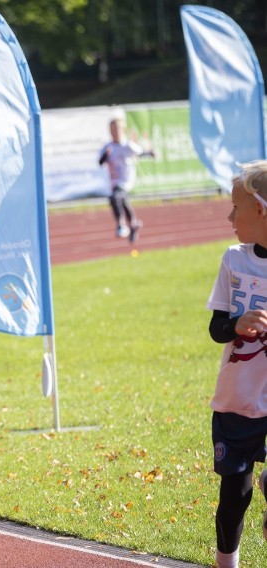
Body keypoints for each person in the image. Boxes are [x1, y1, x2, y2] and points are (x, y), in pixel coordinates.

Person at [206, 160, 267, 568]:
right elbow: (215, 328)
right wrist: (237, 324)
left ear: (260, 210)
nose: (229, 216)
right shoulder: (234, 260)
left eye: (236, 208)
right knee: (235, 496)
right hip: (238, 399)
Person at [98, 117, 154, 243]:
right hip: (114, 181)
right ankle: (133, 223)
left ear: (122, 130)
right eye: (112, 129)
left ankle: (121, 224)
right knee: (121, 199)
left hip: (126, 179)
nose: (115, 131)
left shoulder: (128, 145)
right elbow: (100, 162)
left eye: (117, 128)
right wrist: (105, 155)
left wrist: (151, 153)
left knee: (115, 197)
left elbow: (141, 153)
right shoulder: (108, 147)